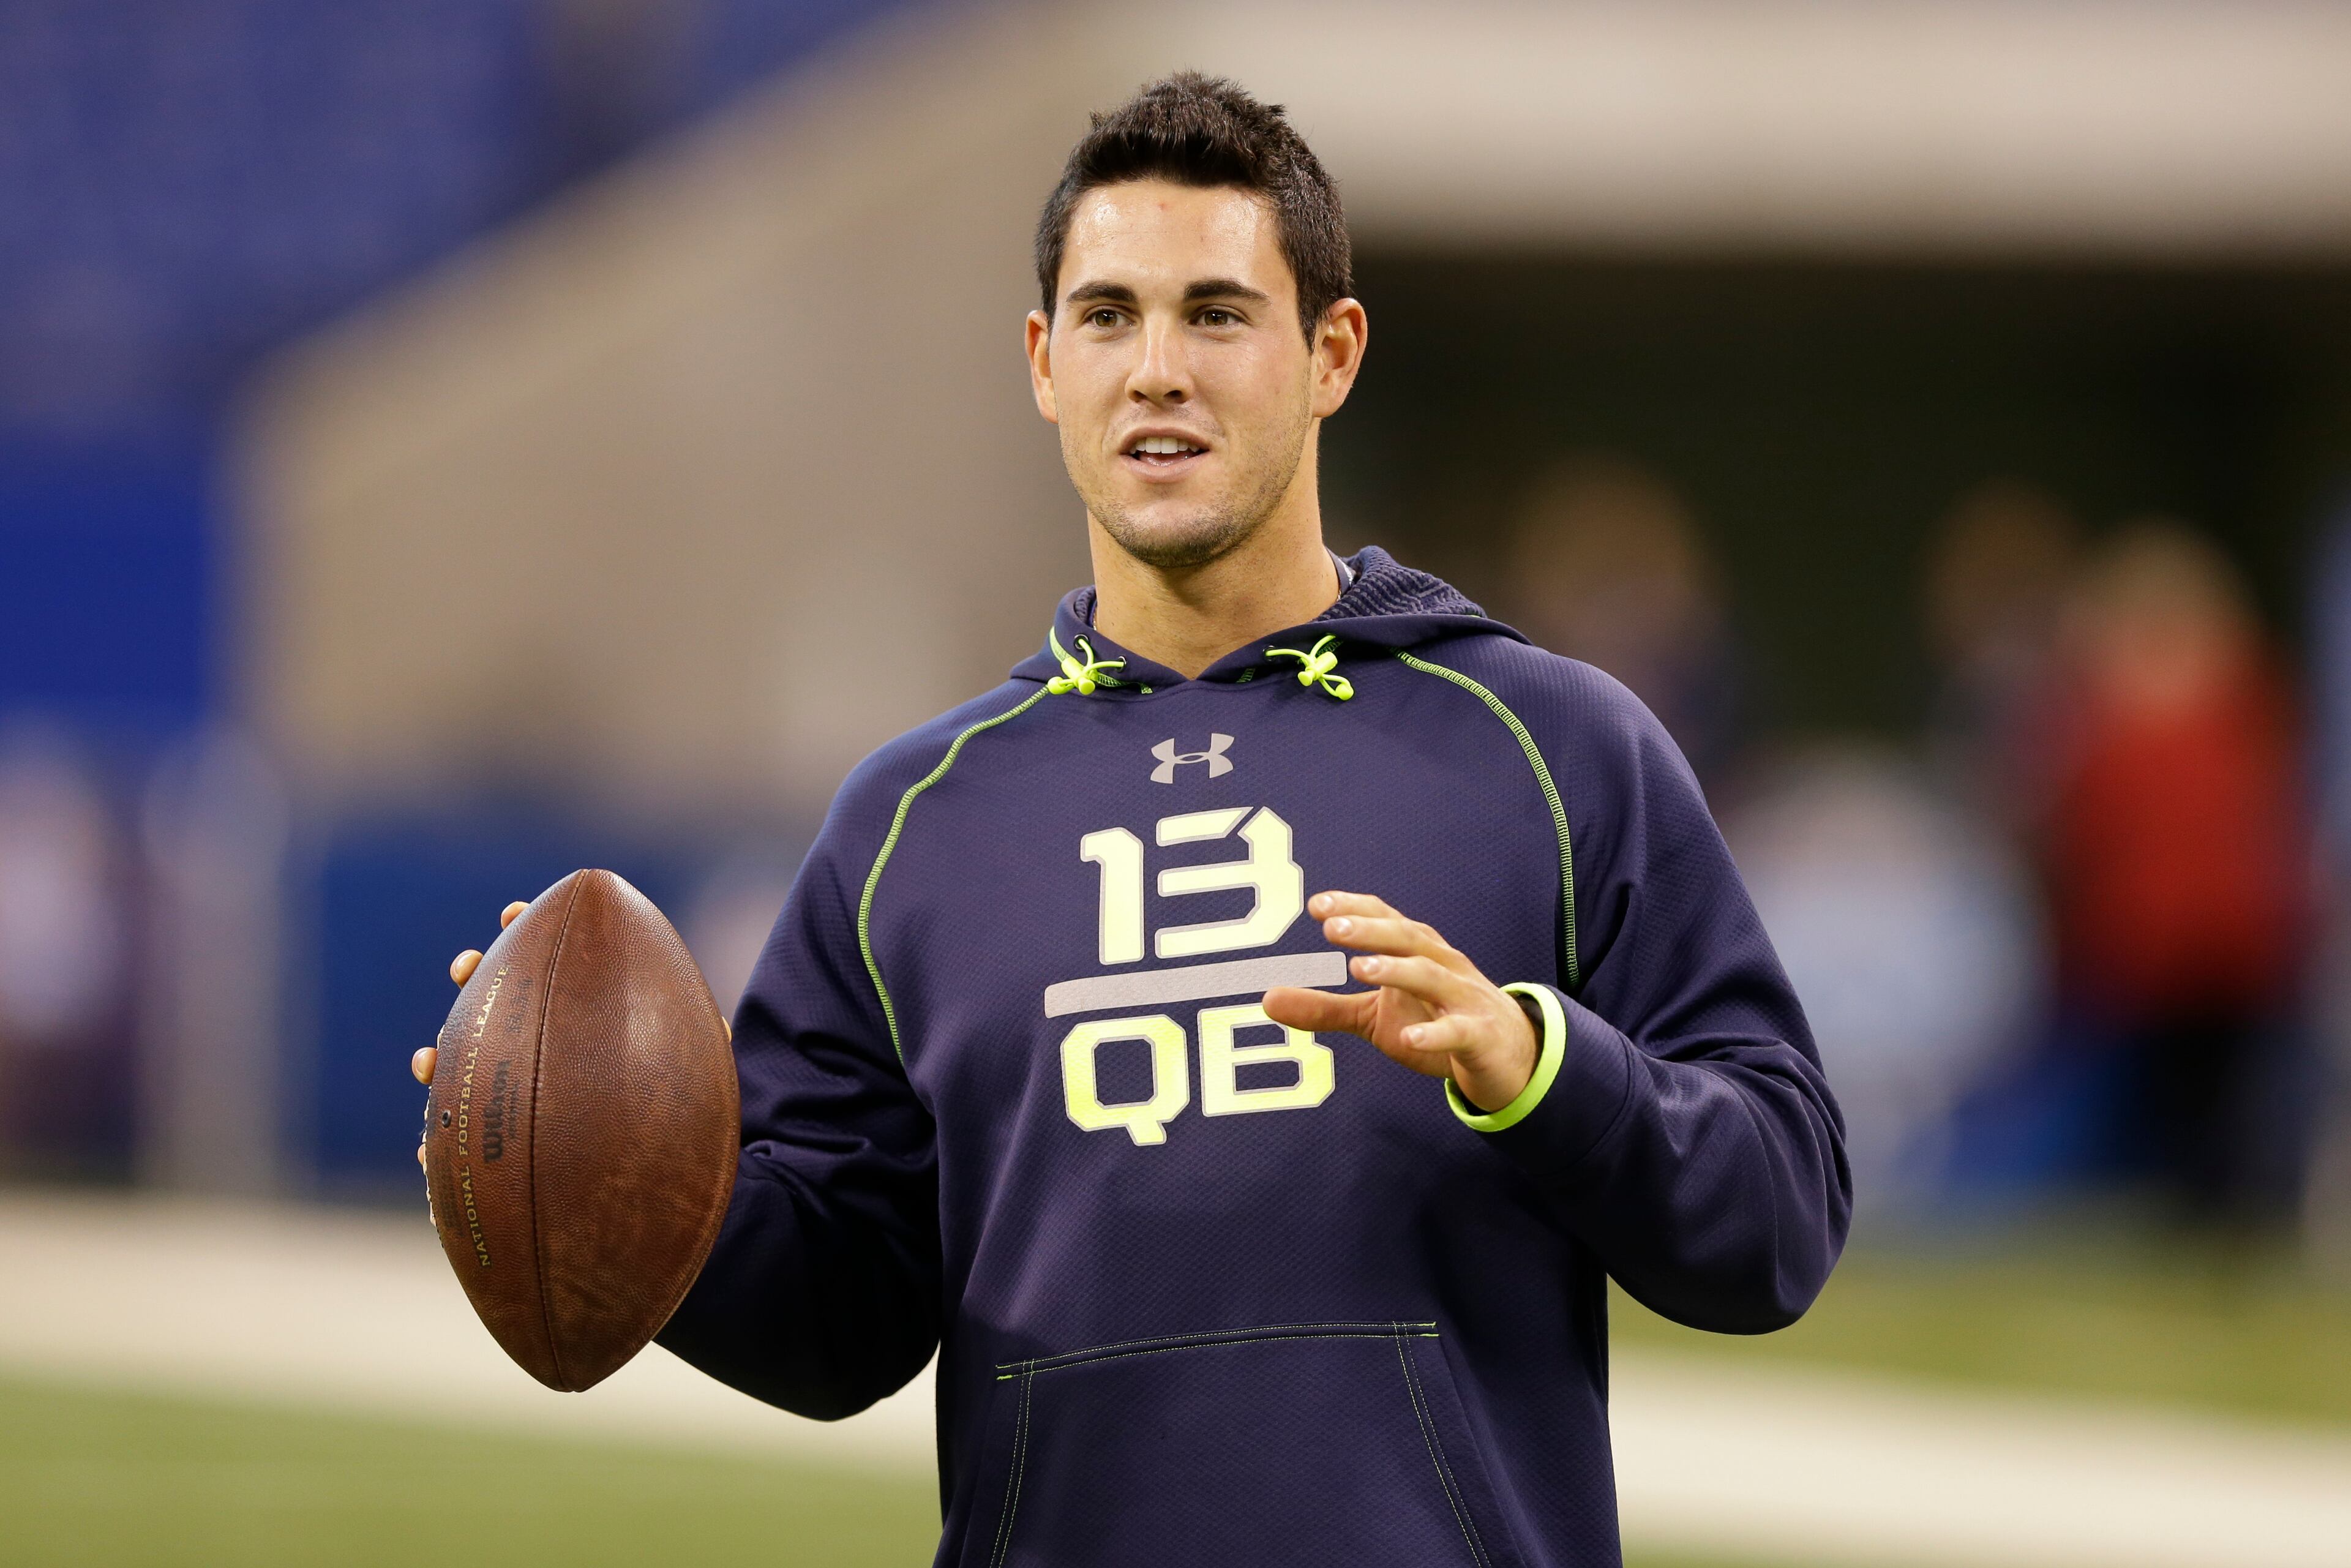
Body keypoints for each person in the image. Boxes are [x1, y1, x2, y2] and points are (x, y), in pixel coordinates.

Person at [413, 74, 1847, 1566]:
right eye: (1109, 317)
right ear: (1044, 363)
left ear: (1329, 355)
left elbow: (1779, 1221)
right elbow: (842, 1329)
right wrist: (615, 1186)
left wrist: (1541, 1067)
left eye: (1218, 314)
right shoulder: (912, 823)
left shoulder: (1553, 746)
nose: (1157, 368)